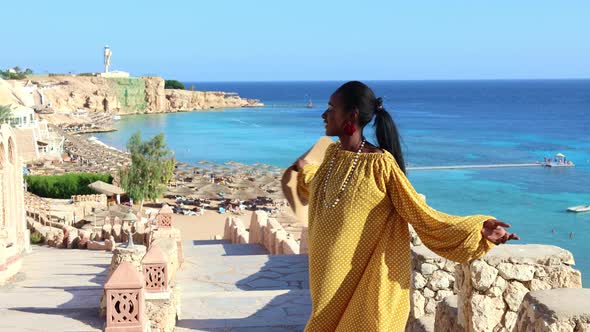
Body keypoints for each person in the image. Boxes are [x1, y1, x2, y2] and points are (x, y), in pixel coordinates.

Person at [292, 81, 519, 331]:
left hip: (369, 280)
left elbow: (422, 215)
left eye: (331, 108)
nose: (324, 114)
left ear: (352, 116)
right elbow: (320, 187)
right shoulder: (333, 156)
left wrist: (478, 228)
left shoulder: (380, 166)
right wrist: (304, 171)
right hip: (328, 282)